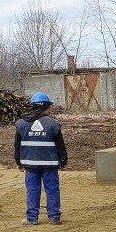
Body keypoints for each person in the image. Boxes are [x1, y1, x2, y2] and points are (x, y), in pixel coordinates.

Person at [14, 92, 67, 224]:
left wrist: (18, 162)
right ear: (45, 107)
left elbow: (17, 145)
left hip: (30, 165)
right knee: (52, 190)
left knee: (32, 190)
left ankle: (32, 218)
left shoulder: (21, 124)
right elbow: (60, 145)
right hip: (49, 165)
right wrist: (63, 161)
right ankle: (54, 217)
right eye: (49, 107)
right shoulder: (53, 124)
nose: (50, 110)